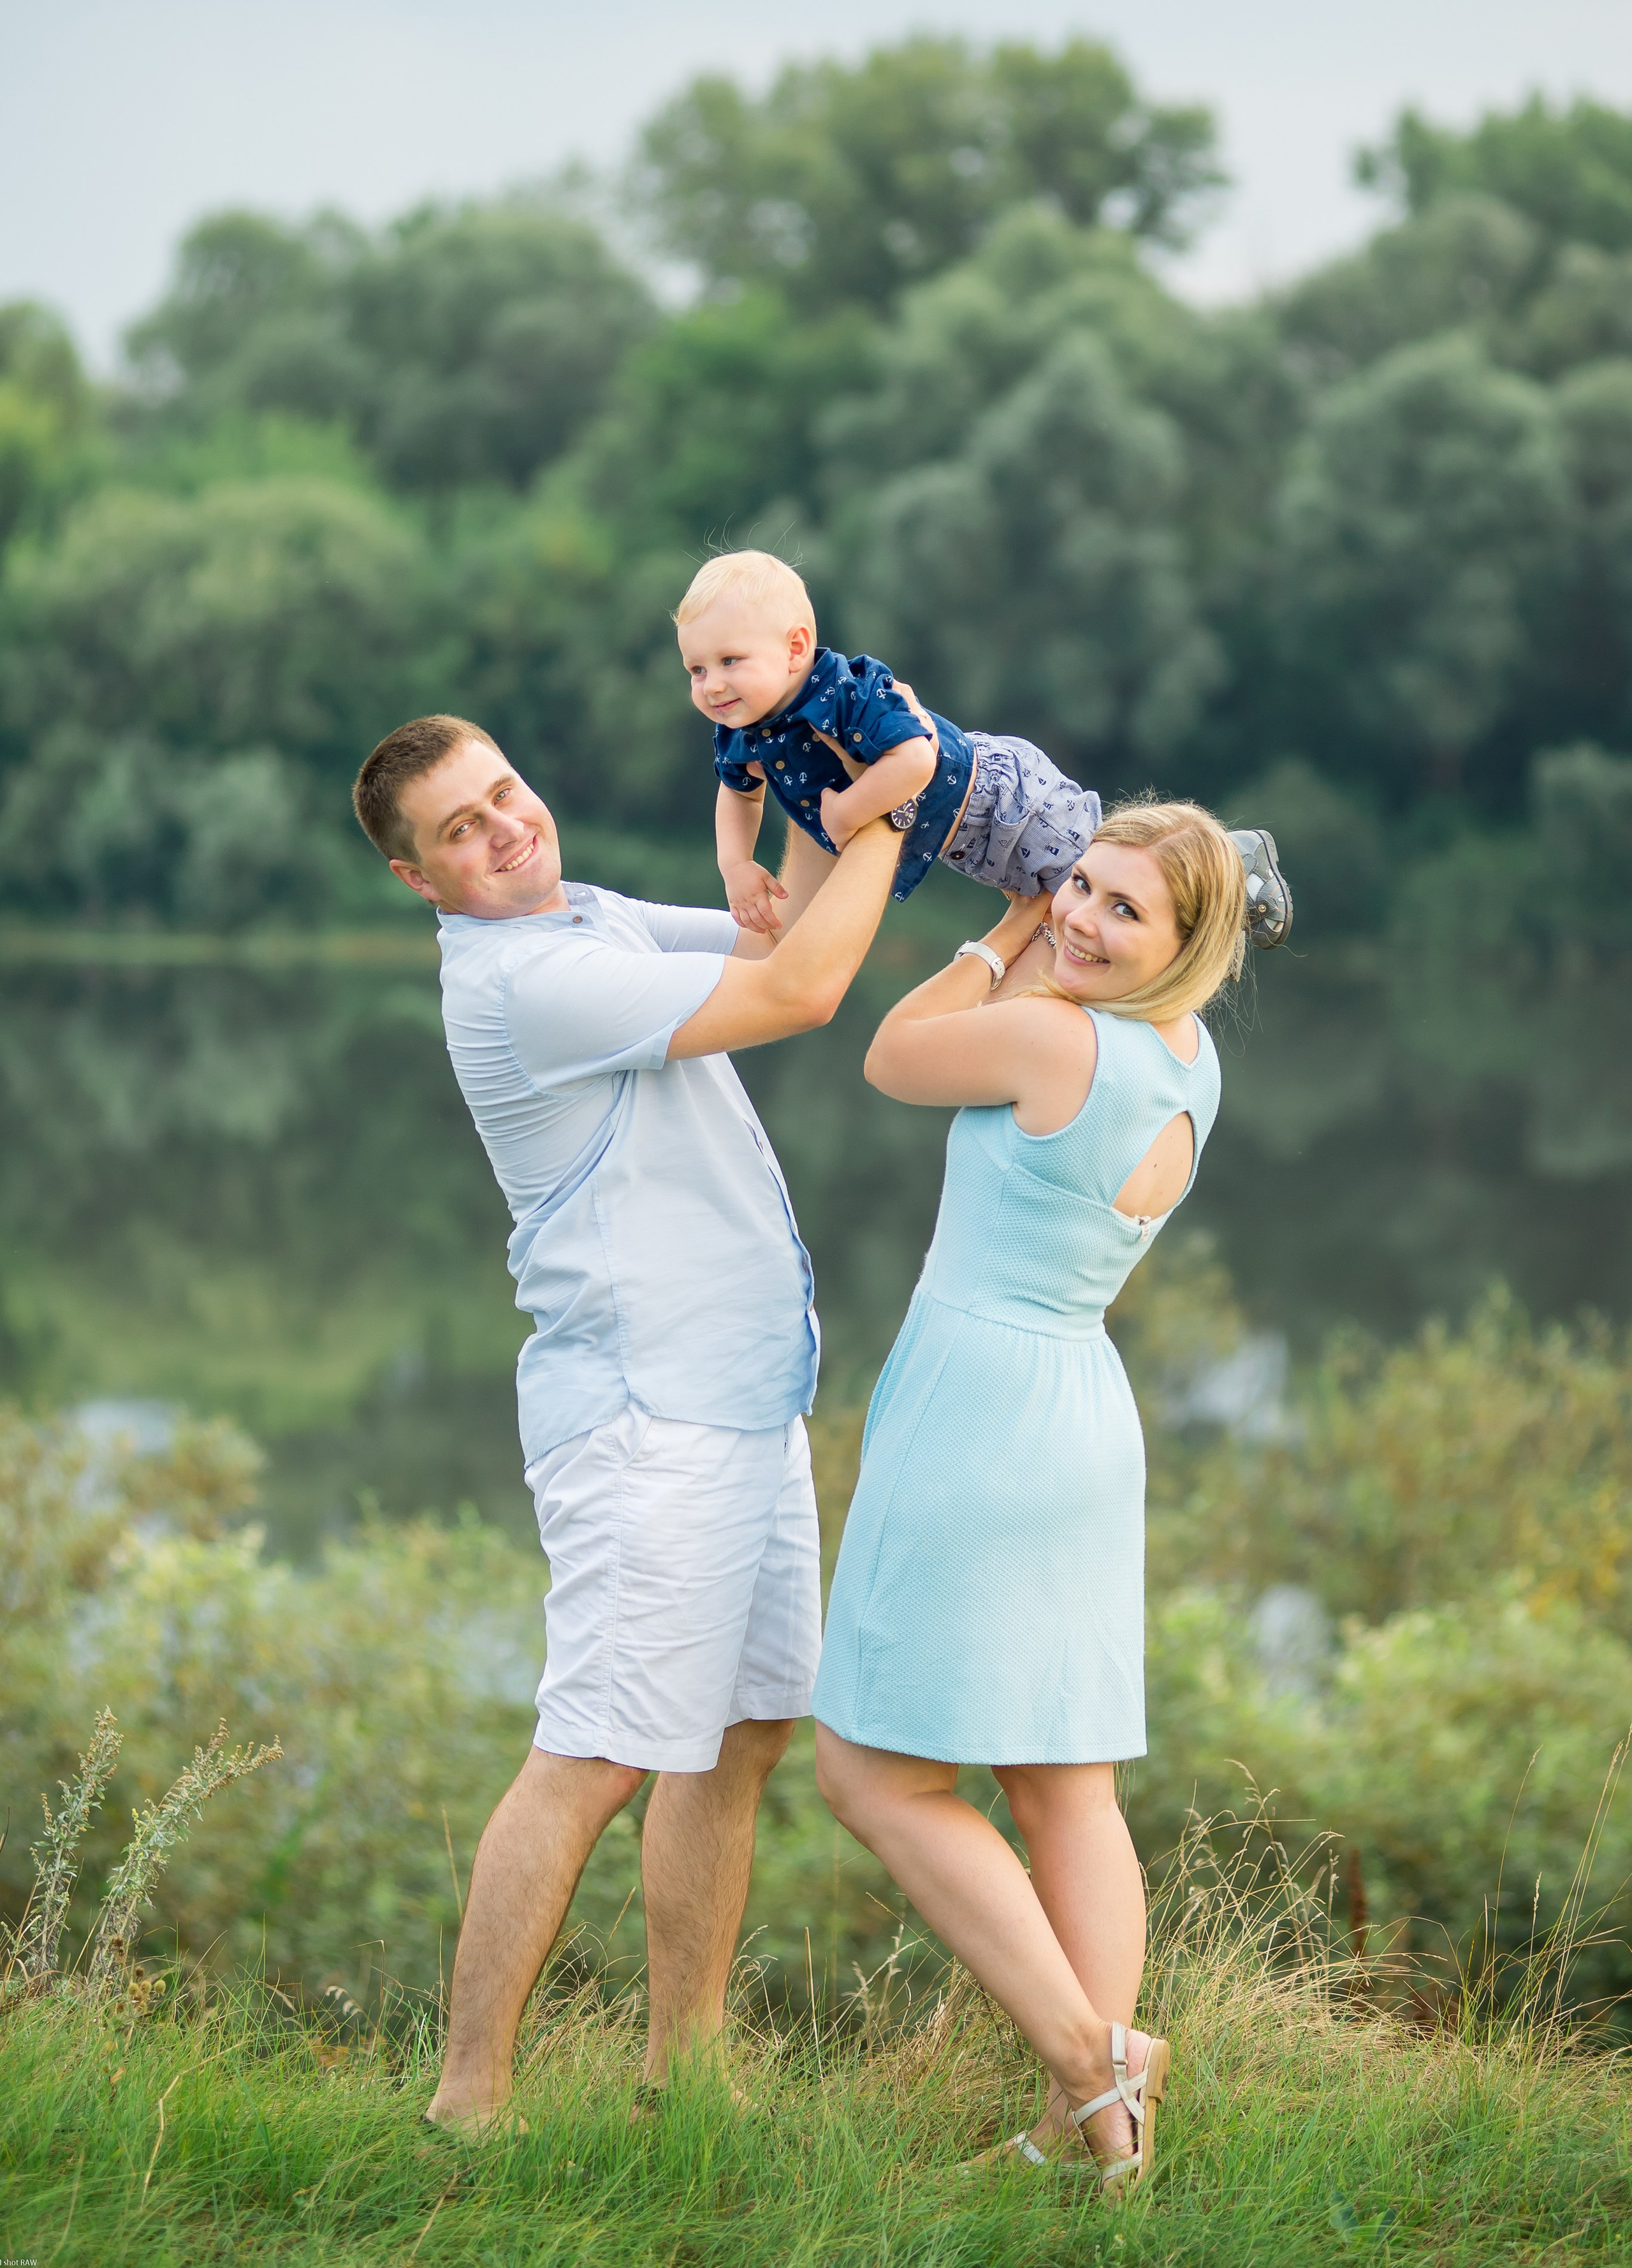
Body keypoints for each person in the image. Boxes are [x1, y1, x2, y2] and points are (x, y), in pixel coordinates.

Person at [349, 713, 903, 2132]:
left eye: (504, 794)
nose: (503, 829)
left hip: (744, 1394)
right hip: (646, 1414)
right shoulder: (526, 982)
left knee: (742, 1734)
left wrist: (804, 764)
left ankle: (684, 2075)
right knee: (594, 1750)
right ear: (420, 880)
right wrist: (901, 807)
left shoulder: (587, 914)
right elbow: (796, 995)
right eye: (458, 832)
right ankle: (465, 2104)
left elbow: (764, 928)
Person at [812, 798, 1248, 2196]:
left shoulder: (1052, 1034)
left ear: (1189, 940)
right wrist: (1054, 937)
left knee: (870, 1773)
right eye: (1073, 885)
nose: (1078, 916)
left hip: (977, 1415)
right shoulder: (1190, 1060)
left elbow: (887, 1055)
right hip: (1077, 1411)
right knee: (1065, 1784)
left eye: (1125, 911)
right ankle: (1092, 2138)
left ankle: (1093, 2059)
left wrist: (999, 928)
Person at [676, 548, 1292, 947]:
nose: (713, 685)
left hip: (998, 798)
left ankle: (1229, 874)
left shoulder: (844, 693)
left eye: (730, 660)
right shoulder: (741, 730)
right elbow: (738, 796)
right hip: (966, 840)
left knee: (1103, 870)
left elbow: (914, 759)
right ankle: (1211, 902)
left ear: (794, 647)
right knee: (1081, 893)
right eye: (697, 670)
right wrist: (736, 865)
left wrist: (846, 810)